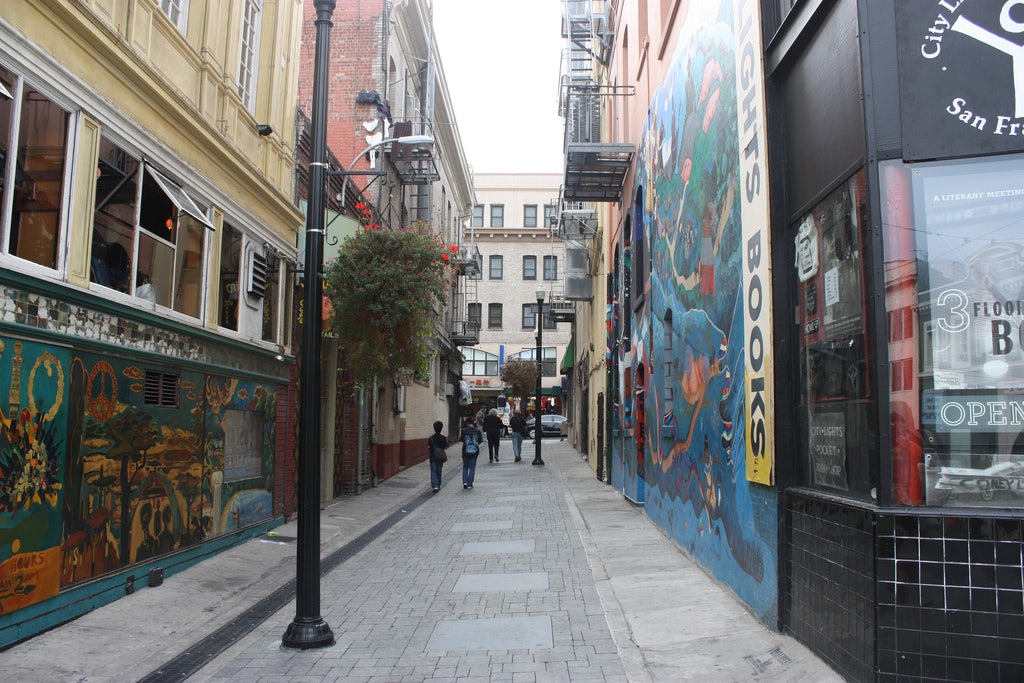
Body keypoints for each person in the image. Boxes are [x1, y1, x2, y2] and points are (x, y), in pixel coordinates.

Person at [459, 417, 483, 489]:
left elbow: (461, 439)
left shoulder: (464, 430)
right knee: (472, 467)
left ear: (467, 423)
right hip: (474, 452)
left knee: (465, 466)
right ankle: (470, 483)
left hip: (465, 451)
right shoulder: (477, 431)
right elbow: (480, 440)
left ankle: (465, 482)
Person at [427, 420, 448, 492]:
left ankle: (434, 485)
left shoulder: (431, 438)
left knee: (433, 471)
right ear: (441, 428)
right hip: (440, 457)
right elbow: (445, 446)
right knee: (439, 471)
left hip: (433, 456)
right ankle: (438, 484)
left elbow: (429, 446)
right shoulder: (443, 438)